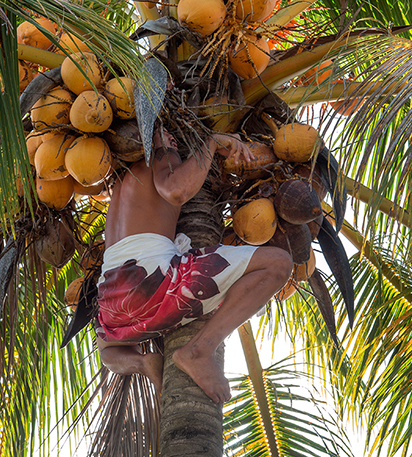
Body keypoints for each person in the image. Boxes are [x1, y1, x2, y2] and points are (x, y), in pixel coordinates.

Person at [95, 128, 293, 403]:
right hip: (153, 279)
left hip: (111, 299)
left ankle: (141, 363)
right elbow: (177, 191)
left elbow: (107, 354)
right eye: (165, 134)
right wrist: (209, 144)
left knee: (107, 351)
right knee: (278, 264)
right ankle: (200, 349)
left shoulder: (120, 184)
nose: (172, 139)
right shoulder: (159, 159)